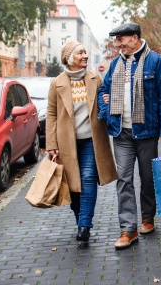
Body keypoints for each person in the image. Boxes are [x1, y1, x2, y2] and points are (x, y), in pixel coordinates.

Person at [97, 23, 161, 249]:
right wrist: (105, 105)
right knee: (124, 179)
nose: (118, 44)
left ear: (134, 37)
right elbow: (103, 90)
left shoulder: (156, 62)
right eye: (116, 40)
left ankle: (148, 217)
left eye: (121, 39)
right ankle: (128, 229)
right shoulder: (115, 64)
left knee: (147, 178)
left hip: (147, 131)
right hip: (121, 132)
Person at [46, 40, 117, 242]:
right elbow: (51, 114)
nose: (85, 56)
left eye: (86, 52)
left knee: (87, 179)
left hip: (91, 140)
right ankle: (80, 220)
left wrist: (107, 102)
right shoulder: (57, 83)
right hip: (66, 142)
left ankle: (85, 225)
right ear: (70, 58)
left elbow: (105, 100)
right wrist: (51, 144)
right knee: (73, 184)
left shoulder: (95, 78)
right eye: (80, 53)